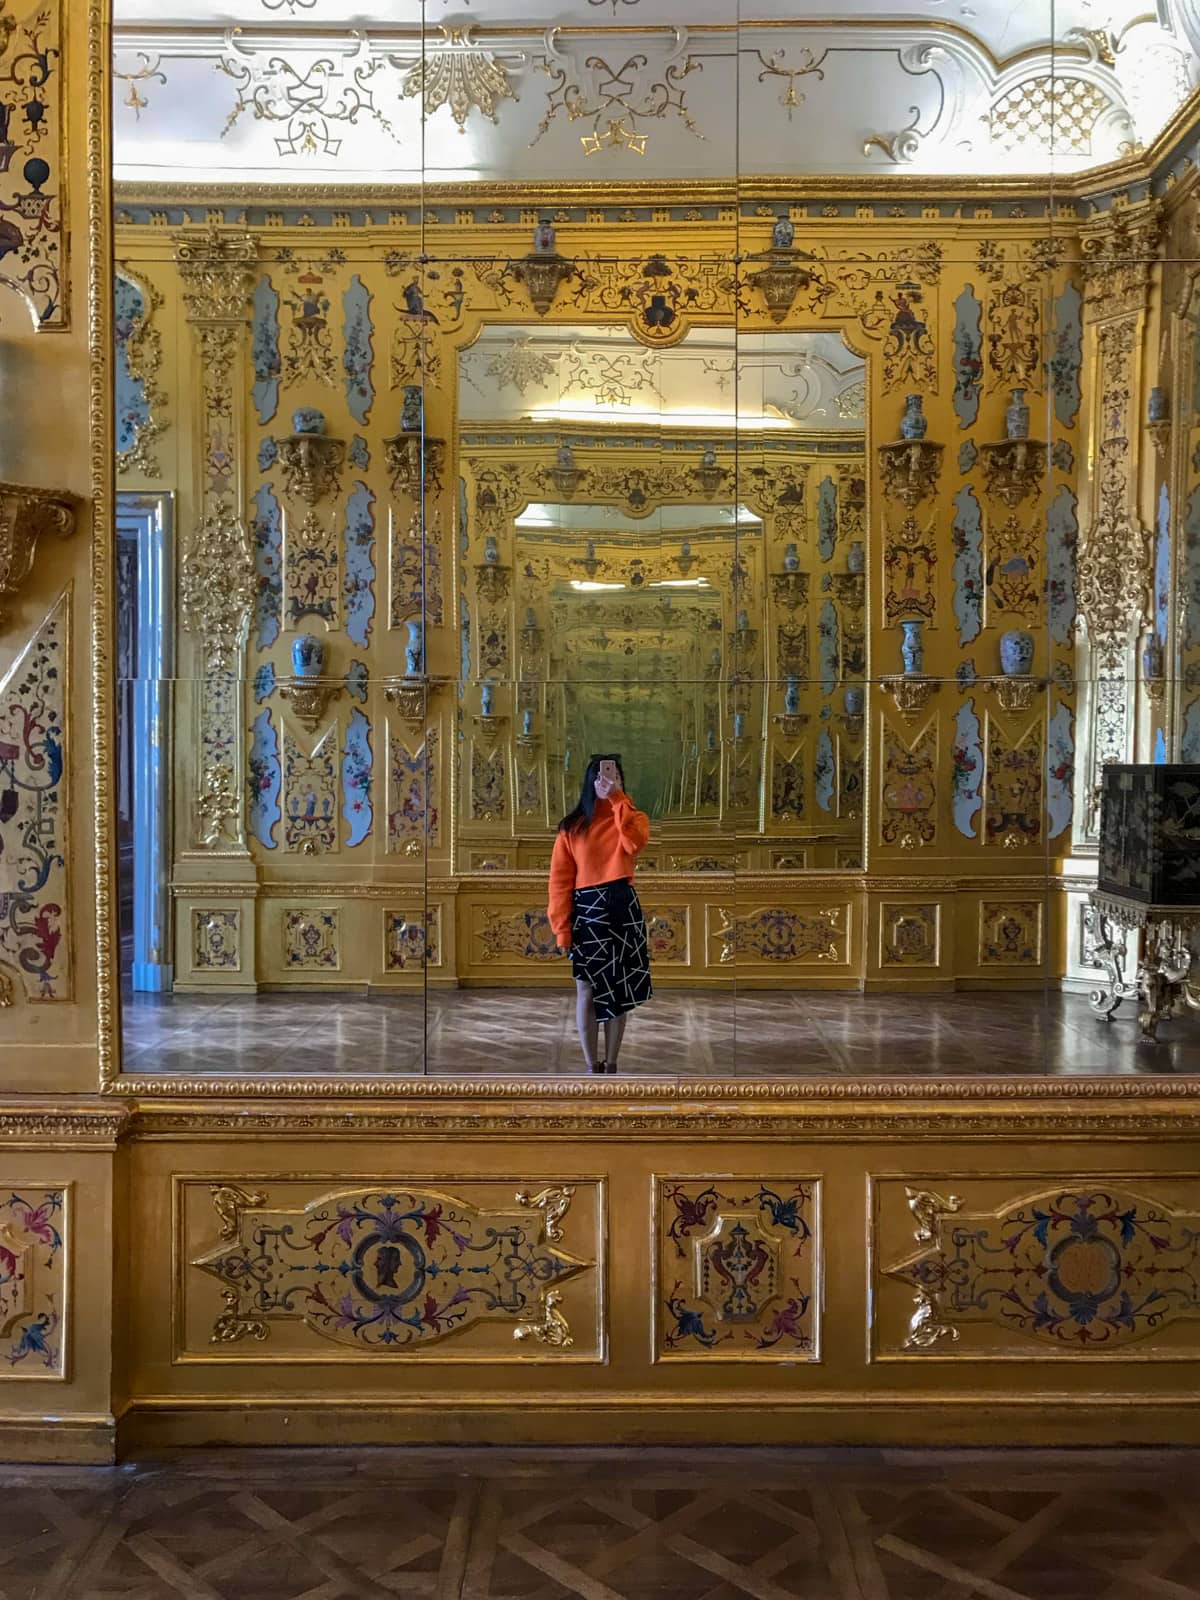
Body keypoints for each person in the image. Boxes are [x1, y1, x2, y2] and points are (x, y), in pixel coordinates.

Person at [548, 753, 651, 1074]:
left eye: (615, 775)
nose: (608, 779)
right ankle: (592, 1064)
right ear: (591, 781)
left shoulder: (633, 817)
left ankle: (613, 1063)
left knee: (620, 987)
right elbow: (560, 881)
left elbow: (633, 845)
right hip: (587, 909)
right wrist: (561, 929)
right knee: (587, 988)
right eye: (603, 775)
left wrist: (618, 800)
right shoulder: (572, 827)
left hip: (622, 904)